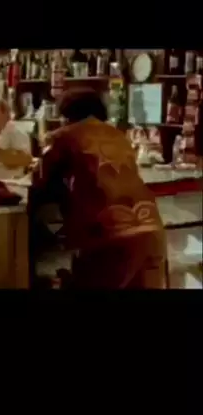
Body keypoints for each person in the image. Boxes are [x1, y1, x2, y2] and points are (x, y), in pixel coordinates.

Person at [33, 88, 167, 289]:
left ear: (66, 115)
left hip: (107, 236)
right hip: (151, 230)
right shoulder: (119, 136)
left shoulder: (63, 136)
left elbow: (40, 181)